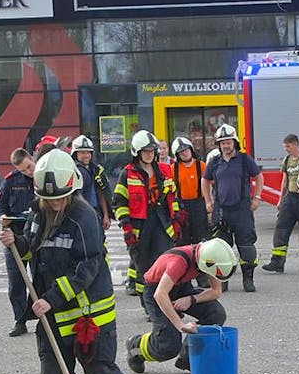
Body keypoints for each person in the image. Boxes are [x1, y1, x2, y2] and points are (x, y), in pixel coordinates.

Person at [0, 149, 145, 374]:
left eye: (60, 198)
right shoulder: (38, 211)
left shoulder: (84, 218)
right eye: (49, 199)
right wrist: (17, 242)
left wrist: (51, 298)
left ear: (73, 189)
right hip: (50, 311)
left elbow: (87, 268)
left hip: (87, 314)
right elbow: (32, 251)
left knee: (100, 372)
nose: (54, 204)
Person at [125, 238, 237, 374]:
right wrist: (180, 325)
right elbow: (160, 295)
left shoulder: (208, 256)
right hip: (156, 291)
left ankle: (187, 359)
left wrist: (191, 299)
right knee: (168, 346)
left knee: (216, 314)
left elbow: (216, 291)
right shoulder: (178, 262)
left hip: (180, 287)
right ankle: (135, 346)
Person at [113, 129, 180, 307]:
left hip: (161, 222)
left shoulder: (165, 171)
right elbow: (119, 203)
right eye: (145, 151)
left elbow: (173, 197)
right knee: (143, 267)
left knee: (165, 262)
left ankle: (165, 301)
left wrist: (177, 218)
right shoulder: (127, 174)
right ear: (137, 153)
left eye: (152, 151)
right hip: (139, 226)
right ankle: (149, 305)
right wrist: (127, 228)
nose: (149, 155)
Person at [203, 124, 263, 292]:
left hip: (242, 209)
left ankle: (248, 279)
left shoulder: (245, 159)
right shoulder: (215, 162)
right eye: (222, 143)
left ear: (234, 142)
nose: (225, 146)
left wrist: (257, 198)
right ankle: (224, 281)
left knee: (246, 247)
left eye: (228, 142)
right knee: (221, 248)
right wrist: (208, 201)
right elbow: (205, 180)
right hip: (221, 211)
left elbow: (259, 177)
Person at [0, 148, 37, 336]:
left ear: (32, 159)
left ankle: (46, 318)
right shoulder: (11, 181)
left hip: (37, 235)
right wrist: (2, 217)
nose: (28, 172)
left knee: (42, 277)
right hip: (15, 236)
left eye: (29, 167)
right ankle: (20, 321)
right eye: (23, 170)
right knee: (16, 282)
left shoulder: (43, 177)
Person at [263, 133, 299, 273]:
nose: (286, 149)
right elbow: (284, 181)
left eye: (288, 146)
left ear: (295, 144)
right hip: (290, 199)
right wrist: (280, 200)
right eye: (285, 147)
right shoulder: (287, 160)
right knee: (281, 230)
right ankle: (277, 262)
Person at [170, 136, 208, 245]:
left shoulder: (201, 166)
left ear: (191, 149)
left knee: (201, 239)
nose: (185, 153)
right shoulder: (173, 169)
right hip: (182, 207)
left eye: (186, 150)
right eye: (181, 152)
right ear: (177, 155)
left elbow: (211, 185)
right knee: (182, 239)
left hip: (199, 205)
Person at [71, 135, 113, 230]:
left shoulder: (96, 170)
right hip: (81, 214)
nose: (86, 155)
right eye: (82, 152)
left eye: (88, 152)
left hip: (96, 212)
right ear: (75, 154)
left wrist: (106, 215)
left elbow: (101, 192)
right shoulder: (73, 171)